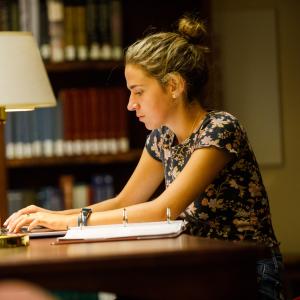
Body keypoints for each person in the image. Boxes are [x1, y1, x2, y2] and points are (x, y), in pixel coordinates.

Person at [4, 15, 284, 300]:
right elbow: (125, 202)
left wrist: (65, 223)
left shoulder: (220, 129)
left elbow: (163, 209)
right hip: (197, 264)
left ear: (173, 86)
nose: (129, 104)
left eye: (138, 92)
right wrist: (50, 216)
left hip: (246, 272)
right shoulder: (162, 137)